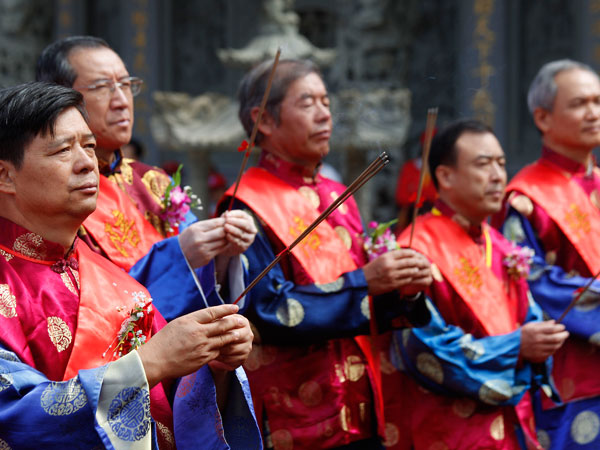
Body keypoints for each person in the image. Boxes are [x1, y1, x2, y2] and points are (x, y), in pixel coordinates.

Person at [0, 81, 261, 448]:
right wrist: (149, 364)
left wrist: (212, 363)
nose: (86, 163)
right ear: (5, 175)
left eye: (89, 146)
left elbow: (174, 400)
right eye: (62, 150)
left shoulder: (113, 278)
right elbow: (13, 419)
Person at [219, 58, 433, 449]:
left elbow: (364, 302)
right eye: (307, 103)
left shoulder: (337, 196)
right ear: (264, 120)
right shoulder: (244, 206)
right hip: (296, 415)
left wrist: (404, 289)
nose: (324, 115)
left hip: (361, 407)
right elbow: (266, 311)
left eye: (326, 102)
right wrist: (366, 281)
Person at [35, 36, 257, 320]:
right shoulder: (51, 194)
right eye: (103, 87)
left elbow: (203, 272)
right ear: (60, 97)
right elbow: (80, 305)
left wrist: (224, 251)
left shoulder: (154, 181)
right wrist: (179, 257)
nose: (121, 101)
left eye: (126, 85)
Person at [394, 119, 568, 449]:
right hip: (451, 429)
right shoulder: (417, 249)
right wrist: (517, 347)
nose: (497, 175)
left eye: (501, 164)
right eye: (483, 164)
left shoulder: (501, 245)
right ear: (445, 176)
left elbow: (527, 321)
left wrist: (539, 340)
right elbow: (421, 348)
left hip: (513, 424)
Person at [495, 59, 600, 449]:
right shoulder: (526, 199)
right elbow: (532, 281)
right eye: (579, 104)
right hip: (573, 377)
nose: (593, 113)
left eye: (597, 101)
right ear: (543, 117)